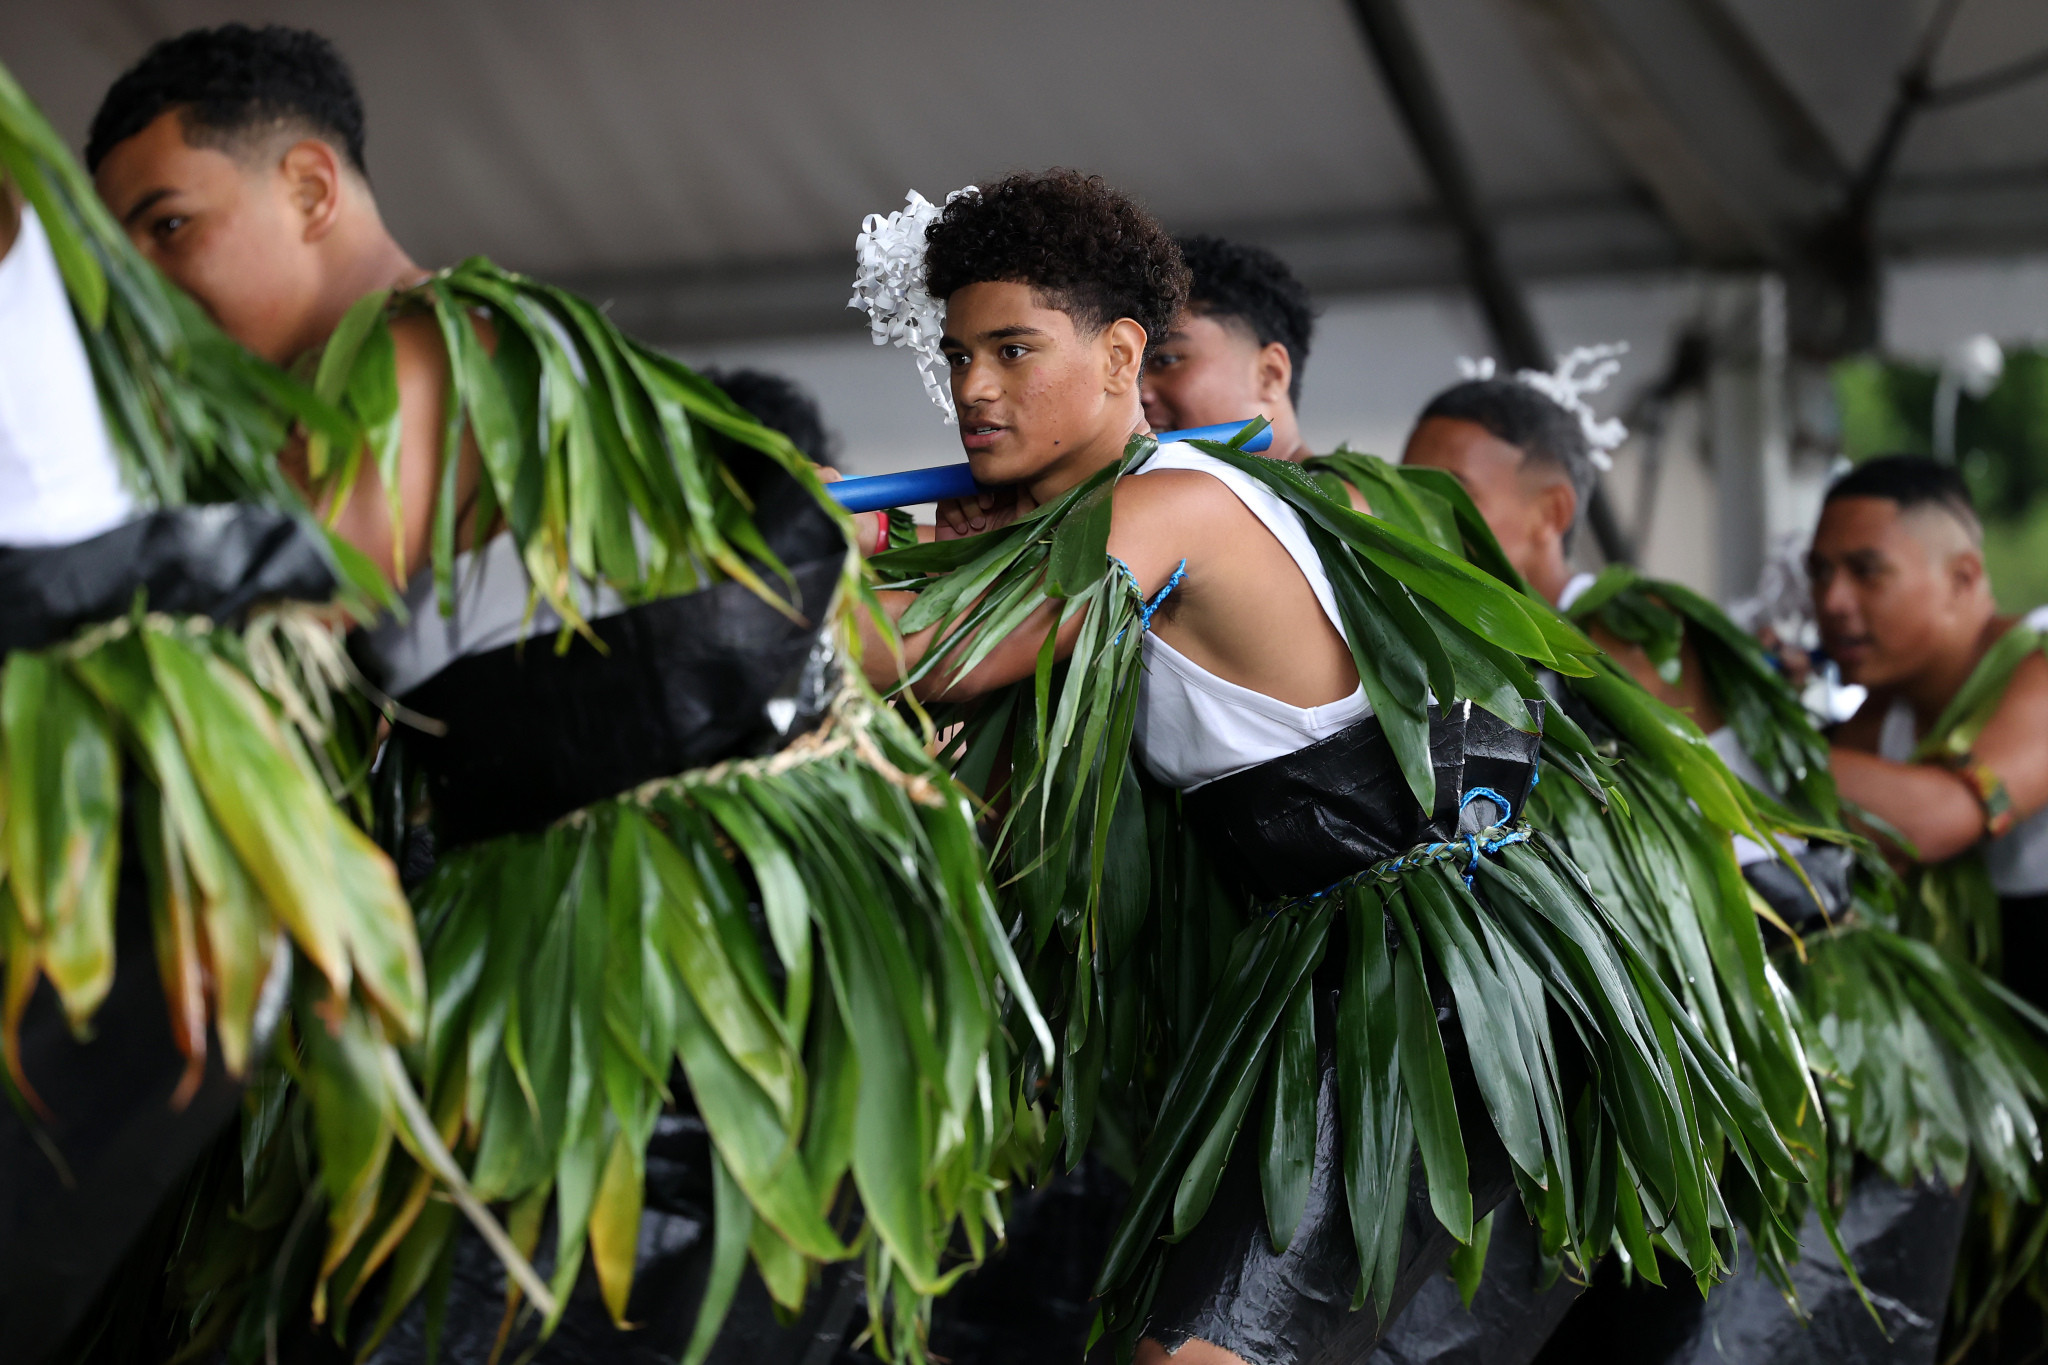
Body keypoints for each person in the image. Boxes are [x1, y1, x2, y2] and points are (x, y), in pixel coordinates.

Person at [85, 24, 1026, 1364]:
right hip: (674, 969)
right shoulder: (481, 352)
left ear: (306, 186)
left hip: (656, 988)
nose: (150, 286)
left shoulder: (422, 347)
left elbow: (265, 628)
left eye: (168, 227)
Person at [855, 169, 1796, 1365]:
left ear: (1117, 355)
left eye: (1012, 349)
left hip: (1422, 987)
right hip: (1340, 978)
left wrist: (788, 563)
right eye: (957, 356)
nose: (974, 389)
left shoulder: (1174, 505)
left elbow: (943, 657)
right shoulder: (1103, 521)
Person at [1816, 456, 2048, 985]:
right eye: (1820, 571)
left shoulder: (2041, 659)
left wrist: (1718, 739)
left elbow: (1939, 816)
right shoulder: (1885, 710)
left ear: (1962, 577)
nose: (1832, 600)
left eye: (1866, 571)